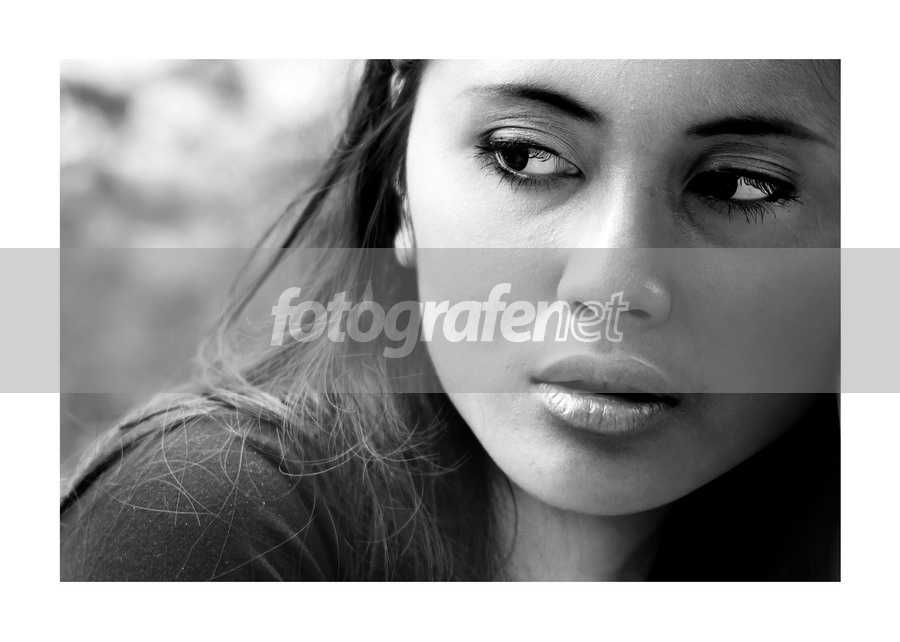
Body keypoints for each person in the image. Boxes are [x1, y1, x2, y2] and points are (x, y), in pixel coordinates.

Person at [60, 60, 841, 581]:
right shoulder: (202, 523)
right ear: (402, 179)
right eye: (523, 156)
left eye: (741, 185)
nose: (610, 283)